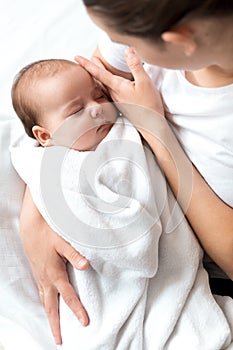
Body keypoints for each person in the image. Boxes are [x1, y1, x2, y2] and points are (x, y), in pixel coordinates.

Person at [17, 0, 233, 344]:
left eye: (115, 35)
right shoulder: (148, 21)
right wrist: (35, 214)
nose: (111, 43)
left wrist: (155, 130)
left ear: (179, 41)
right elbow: (57, 112)